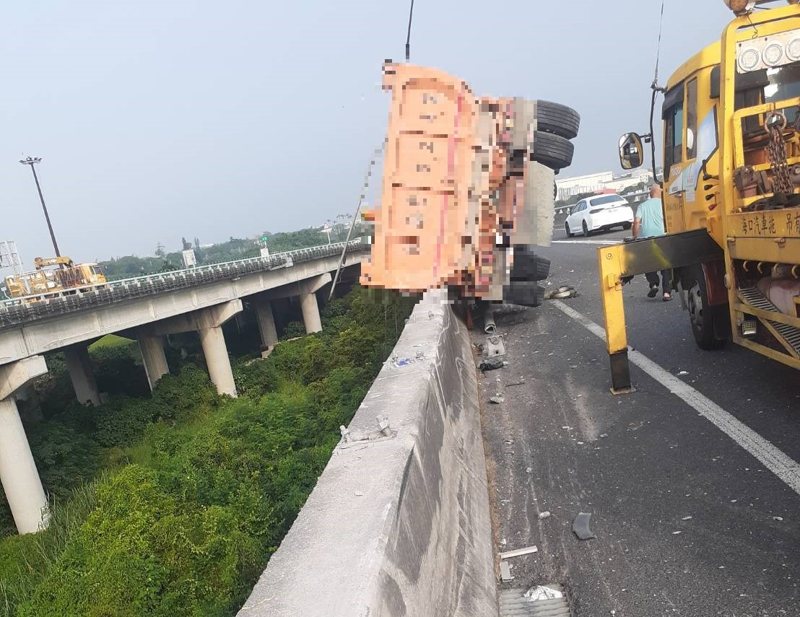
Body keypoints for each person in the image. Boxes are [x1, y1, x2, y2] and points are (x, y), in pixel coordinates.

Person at [632, 184, 672, 301]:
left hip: (647, 239)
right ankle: (666, 293)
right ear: (659, 193)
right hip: (662, 237)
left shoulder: (642, 206)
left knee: (649, 264)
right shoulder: (664, 204)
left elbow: (636, 222)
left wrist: (634, 236)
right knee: (665, 266)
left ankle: (654, 284)